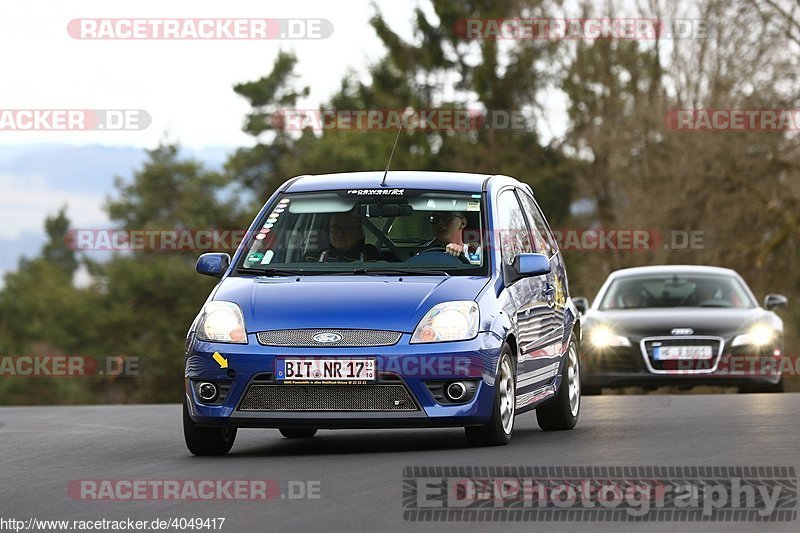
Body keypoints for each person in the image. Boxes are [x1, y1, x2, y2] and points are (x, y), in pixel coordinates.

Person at [305, 212, 380, 262]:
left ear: (359, 233)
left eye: (347, 228)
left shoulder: (370, 256)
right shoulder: (312, 257)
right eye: (335, 228)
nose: (340, 233)